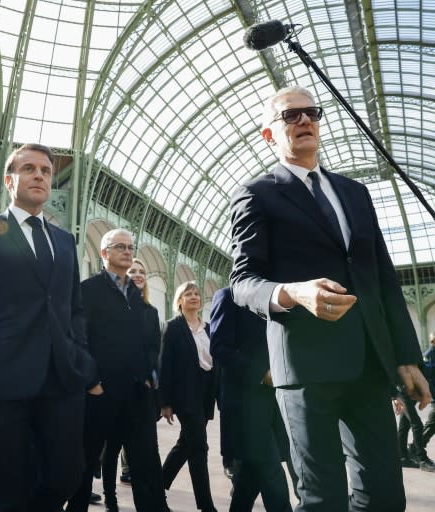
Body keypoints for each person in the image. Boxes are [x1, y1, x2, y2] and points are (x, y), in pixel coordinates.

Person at [229, 85, 431, 511]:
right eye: (290, 116)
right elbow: (243, 282)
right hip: (305, 367)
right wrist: (291, 293)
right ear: (269, 134)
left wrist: (405, 356)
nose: (304, 120)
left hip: (368, 365)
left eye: (311, 113)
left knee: (385, 496)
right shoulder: (256, 194)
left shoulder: (354, 193)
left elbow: (382, 280)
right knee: (322, 498)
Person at [0, 143, 96, 512]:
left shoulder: (64, 241)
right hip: (4, 379)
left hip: (61, 378)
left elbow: (73, 309)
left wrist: (81, 359)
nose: (40, 176)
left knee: (68, 473)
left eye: (46, 171)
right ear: (9, 180)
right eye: (29, 169)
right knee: (6, 483)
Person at [66, 234, 167, 512]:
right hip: (100, 394)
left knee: (146, 465)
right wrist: (92, 381)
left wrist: (151, 378)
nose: (126, 251)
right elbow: (77, 338)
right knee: (85, 465)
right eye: (119, 247)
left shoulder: (137, 296)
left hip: (137, 395)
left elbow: (150, 344)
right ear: (103, 252)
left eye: (130, 247)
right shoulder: (88, 290)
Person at [209, 287, 293, 511]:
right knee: (273, 476)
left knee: (250, 477)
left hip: (274, 403)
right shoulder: (228, 296)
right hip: (246, 405)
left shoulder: (277, 296)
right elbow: (219, 348)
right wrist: (261, 373)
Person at [99, 257, 161, 510]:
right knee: (111, 447)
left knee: (141, 450)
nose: (137, 274)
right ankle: (110, 497)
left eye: (141, 272)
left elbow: (154, 349)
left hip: (140, 391)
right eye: (133, 270)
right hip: (113, 389)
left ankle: (149, 501)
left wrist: (151, 378)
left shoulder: (150, 312)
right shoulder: (112, 305)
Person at [159, 281, 218, 512]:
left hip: (205, 394)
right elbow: (165, 365)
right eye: (188, 294)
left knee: (187, 444)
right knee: (199, 447)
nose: (194, 297)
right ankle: (206, 505)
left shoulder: (209, 328)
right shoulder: (173, 327)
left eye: (196, 293)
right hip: (185, 395)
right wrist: (165, 402)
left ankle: (158, 484)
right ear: (180, 300)